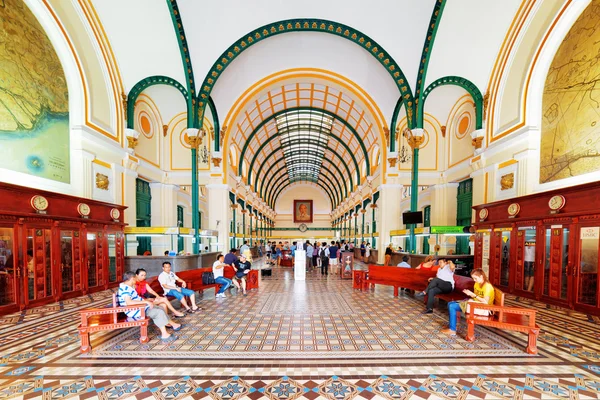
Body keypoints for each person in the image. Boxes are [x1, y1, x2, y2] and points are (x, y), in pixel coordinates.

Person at [118, 271, 181, 343]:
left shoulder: (127, 287)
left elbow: (136, 299)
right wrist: (146, 302)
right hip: (135, 310)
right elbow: (129, 302)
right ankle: (165, 335)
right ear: (132, 278)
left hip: (140, 307)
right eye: (135, 279)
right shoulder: (125, 289)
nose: (136, 280)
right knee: (158, 312)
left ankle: (169, 325)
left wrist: (147, 300)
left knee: (160, 308)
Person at [441, 269, 495, 336]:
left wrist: (473, 295)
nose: (474, 280)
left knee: (452, 306)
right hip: (474, 305)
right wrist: (469, 295)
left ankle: (452, 329)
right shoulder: (477, 284)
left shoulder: (487, 287)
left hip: (484, 308)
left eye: (476, 278)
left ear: (481, 276)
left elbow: (485, 301)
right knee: (450, 303)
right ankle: (453, 326)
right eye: (473, 278)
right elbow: (475, 298)